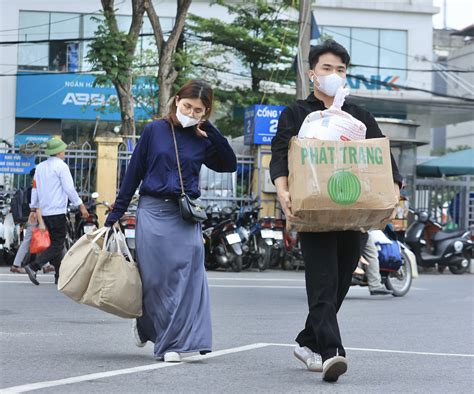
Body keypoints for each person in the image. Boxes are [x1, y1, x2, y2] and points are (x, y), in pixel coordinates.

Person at [270, 40, 403, 383]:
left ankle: (306, 341)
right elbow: (281, 155)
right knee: (323, 282)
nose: (333, 74)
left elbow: (383, 158)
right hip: (313, 214)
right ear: (312, 73)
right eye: (327, 68)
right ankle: (332, 352)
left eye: (340, 70)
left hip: (352, 212)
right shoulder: (297, 113)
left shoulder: (358, 116)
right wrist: (283, 192)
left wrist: (394, 195)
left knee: (342, 281)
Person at [104, 80, 237, 362]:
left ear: (205, 112)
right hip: (152, 212)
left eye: (198, 109)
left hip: (185, 216)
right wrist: (116, 212)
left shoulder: (202, 139)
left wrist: (209, 129)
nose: (190, 111)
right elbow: (134, 172)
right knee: (156, 280)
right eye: (187, 105)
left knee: (188, 279)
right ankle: (147, 324)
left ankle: (171, 343)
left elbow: (229, 164)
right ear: (177, 100)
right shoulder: (155, 130)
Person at [24, 138, 89, 286]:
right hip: (57, 211)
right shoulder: (62, 167)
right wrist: (80, 205)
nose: (64, 152)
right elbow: (69, 189)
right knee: (58, 244)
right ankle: (34, 266)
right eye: (63, 150)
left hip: (45, 212)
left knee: (54, 244)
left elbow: (35, 189)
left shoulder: (40, 167)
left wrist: (33, 208)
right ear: (59, 152)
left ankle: (59, 276)